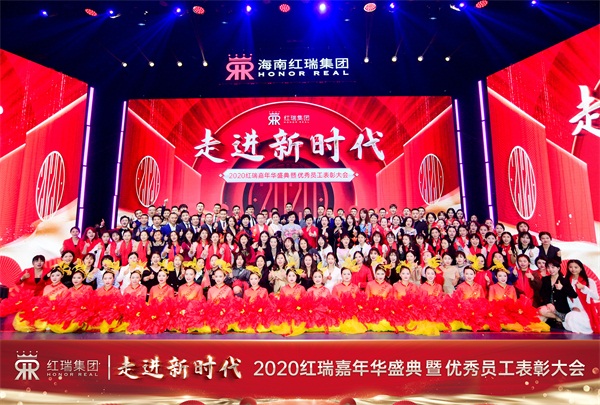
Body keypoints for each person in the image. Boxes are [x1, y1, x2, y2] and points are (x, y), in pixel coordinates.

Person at [538, 259, 578, 328]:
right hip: (549, 307)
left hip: (560, 309)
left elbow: (574, 295)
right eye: (548, 267)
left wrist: (562, 288)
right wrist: (548, 303)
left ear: (558, 268)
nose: (550, 269)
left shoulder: (564, 280)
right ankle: (557, 319)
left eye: (553, 267)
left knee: (541, 311)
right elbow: (542, 293)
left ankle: (560, 317)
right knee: (539, 317)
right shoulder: (545, 279)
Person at [564, 259, 600, 334]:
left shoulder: (589, 281)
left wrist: (584, 288)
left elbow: (596, 297)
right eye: (570, 267)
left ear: (581, 268)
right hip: (574, 309)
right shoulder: (566, 281)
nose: (573, 269)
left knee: (585, 322)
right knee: (571, 317)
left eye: (576, 267)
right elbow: (566, 297)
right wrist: (572, 307)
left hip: (587, 309)